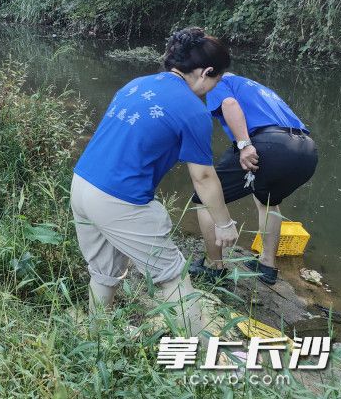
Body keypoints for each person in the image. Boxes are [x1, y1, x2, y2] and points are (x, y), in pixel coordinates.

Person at [71, 27, 237, 335]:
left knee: (105, 272)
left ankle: (96, 336)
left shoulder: (136, 84)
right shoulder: (193, 111)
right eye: (216, 80)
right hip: (119, 198)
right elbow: (202, 176)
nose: (213, 88)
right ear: (206, 73)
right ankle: (196, 354)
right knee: (173, 276)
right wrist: (224, 224)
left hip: (82, 184)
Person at [189, 74, 318, 285]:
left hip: (269, 144)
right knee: (268, 201)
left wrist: (244, 144)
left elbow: (229, 104)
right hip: (306, 150)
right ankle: (267, 265)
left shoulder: (218, 81)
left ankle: (213, 267)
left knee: (205, 198)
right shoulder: (258, 88)